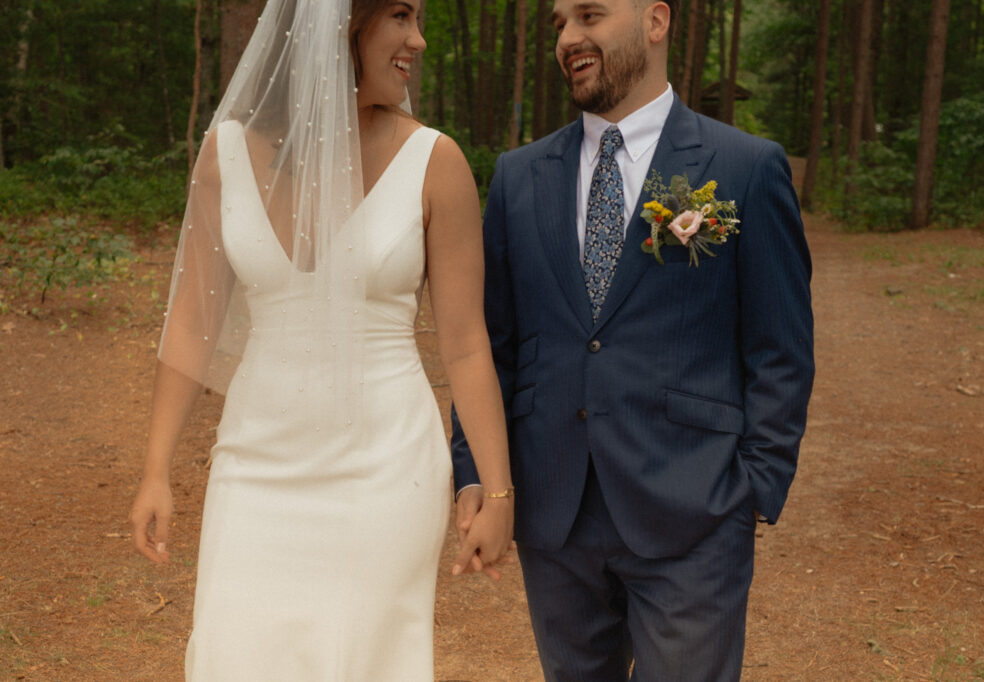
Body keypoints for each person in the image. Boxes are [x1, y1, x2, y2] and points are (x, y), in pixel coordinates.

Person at [128, 0, 513, 678]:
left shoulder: (436, 163)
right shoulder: (225, 157)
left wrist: (499, 491)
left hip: (387, 472)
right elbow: (191, 322)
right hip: (256, 465)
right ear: (343, 23)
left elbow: (465, 345)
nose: (417, 40)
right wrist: (156, 470)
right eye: (400, 14)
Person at [451, 0, 815, 679]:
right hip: (553, 511)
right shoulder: (517, 178)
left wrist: (753, 490)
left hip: (695, 512)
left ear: (656, 21)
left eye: (589, 14)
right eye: (559, 22)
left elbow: (780, 349)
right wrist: (474, 470)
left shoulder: (742, 167)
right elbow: (490, 344)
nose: (568, 37)